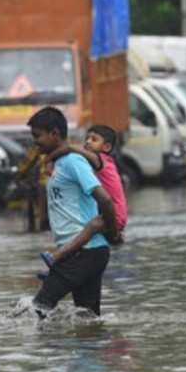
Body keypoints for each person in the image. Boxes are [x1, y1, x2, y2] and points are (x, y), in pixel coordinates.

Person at [24, 107, 119, 318]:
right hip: (85, 252)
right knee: (88, 319)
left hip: (84, 252)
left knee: (37, 309)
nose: (35, 141)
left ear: (55, 134)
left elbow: (104, 198)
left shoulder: (73, 162)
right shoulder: (57, 163)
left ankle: (40, 351)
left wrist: (112, 232)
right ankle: (89, 349)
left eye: (37, 136)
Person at [40, 124, 128, 268]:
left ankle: (57, 256)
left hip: (114, 213)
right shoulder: (100, 162)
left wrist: (48, 159)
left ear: (106, 147)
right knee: (91, 236)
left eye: (94, 139)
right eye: (87, 138)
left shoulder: (100, 160)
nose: (87, 142)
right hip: (116, 213)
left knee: (91, 227)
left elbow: (70, 149)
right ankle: (57, 267)